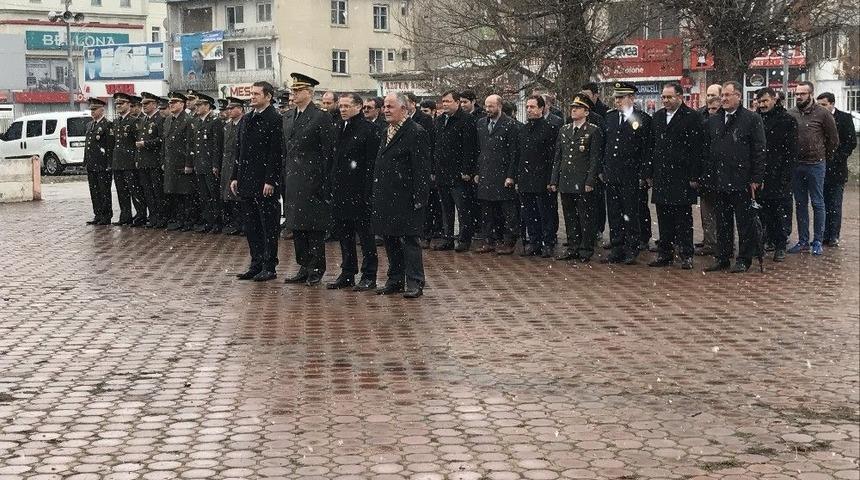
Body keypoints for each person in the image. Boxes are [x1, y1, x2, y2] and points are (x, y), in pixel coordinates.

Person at [701, 81, 766, 273]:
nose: (724, 99)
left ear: (738, 96)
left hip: (742, 179)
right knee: (722, 221)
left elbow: (759, 150)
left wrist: (756, 177)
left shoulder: (751, 119)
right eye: (722, 96)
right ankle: (723, 256)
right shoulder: (714, 119)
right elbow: (708, 149)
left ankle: (744, 258)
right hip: (719, 179)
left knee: (744, 222)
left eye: (728, 95)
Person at [372, 92, 431, 298]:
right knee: (390, 238)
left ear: (404, 109)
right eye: (385, 106)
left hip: (406, 197)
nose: (386, 110)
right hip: (386, 195)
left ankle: (415, 281)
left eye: (390, 106)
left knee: (409, 240)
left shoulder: (415, 132)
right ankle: (395, 279)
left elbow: (421, 168)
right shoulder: (385, 130)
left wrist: (420, 197)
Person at [281, 73, 336, 286]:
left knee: (313, 227)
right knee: (297, 226)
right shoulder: (288, 116)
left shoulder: (320, 117)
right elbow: (285, 150)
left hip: (313, 179)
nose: (293, 94)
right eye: (293, 90)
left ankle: (316, 267)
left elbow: (327, 152)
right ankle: (303, 265)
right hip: (293, 178)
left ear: (309, 93)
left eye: (298, 91)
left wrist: (323, 181)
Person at [645, 83, 703, 270]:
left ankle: (686, 254)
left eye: (669, 97)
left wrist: (695, 175)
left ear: (680, 96)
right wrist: (649, 172)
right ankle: (665, 253)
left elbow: (697, 149)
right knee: (663, 217)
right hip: (662, 174)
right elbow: (651, 146)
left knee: (683, 217)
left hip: (682, 175)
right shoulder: (658, 117)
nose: (666, 100)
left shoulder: (692, 117)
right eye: (663, 97)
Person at [229, 81, 283, 281]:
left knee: (268, 225)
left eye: (257, 94)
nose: (252, 97)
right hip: (246, 180)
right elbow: (239, 150)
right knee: (251, 225)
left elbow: (275, 153)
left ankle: (269, 265)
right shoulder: (247, 119)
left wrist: (270, 179)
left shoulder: (274, 119)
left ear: (268, 96)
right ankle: (256, 262)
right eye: (251, 94)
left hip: (264, 182)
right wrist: (235, 176)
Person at [327, 93, 381, 291]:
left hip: (360, 191)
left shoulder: (370, 130)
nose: (342, 109)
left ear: (359, 107)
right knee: (344, 235)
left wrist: (368, 193)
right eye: (340, 106)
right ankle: (348, 272)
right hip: (341, 190)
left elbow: (370, 164)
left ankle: (369, 275)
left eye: (347, 106)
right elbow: (335, 159)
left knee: (365, 236)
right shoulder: (339, 127)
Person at [601, 82, 653, 264]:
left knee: (631, 212)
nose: (618, 101)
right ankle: (617, 247)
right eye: (616, 98)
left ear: (632, 98)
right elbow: (604, 145)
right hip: (613, 173)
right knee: (614, 212)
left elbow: (647, 149)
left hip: (632, 174)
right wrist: (603, 168)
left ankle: (632, 247)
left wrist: (644, 174)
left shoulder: (643, 119)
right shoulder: (610, 118)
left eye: (621, 97)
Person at [787, 81, 838, 256]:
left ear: (810, 94)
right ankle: (803, 241)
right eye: (797, 93)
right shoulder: (791, 113)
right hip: (797, 165)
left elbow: (833, 140)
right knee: (800, 204)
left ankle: (817, 240)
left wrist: (824, 156)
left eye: (802, 93)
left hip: (816, 164)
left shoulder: (823, 114)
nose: (799, 96)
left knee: (817, 202)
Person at [549, 94, 602, 262]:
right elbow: (558, 157)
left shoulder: (593, 130)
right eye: (572, 108)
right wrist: (553, 180)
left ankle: (585, 249)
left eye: (577, 108)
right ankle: (572, 247)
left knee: (585, 216)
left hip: (582, 180)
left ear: (586, 112)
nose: (573, 110)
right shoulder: (564, 130)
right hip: (566, 179)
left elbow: (595, 158)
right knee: (570, 216)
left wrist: (590, 181)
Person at [432, 89, 479, 253]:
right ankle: (448, 237)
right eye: (443, 102)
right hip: (442, 172)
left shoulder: (466, 120)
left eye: (448, 101)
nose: (445, 104)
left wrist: (467, 169)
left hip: (459, 174)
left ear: (457, 103)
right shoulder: (438, 121)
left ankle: (465, 238)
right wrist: (433, 169)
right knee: (446, 209)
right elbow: (434, 146)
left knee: (463, 208)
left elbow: (470, 147)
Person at [474, 94, 520, 255]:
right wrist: (477, 171)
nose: (487, 109)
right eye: (486, 106)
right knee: (487, 210)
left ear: (499, 106)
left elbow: (514, 153)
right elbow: (479, 149)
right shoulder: (480, 124)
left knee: (507, 211)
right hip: (486, 172)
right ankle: (489, 240)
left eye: (491, 106)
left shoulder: (510, 125)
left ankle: (508, 241)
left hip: (503, 173)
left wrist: (511, 175)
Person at [756, 87, 798, 262]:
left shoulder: (787, 120)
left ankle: (780, 244)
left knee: (779, 211)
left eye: (766, 101)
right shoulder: (755, 119)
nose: (763, 105)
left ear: (774, 99)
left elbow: (791, 150)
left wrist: (786, 174)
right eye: (760, 101)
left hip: (779, 172)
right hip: (760, 173)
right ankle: (764, 241)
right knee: (761, 211)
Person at [518, 94, 559, 258]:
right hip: (526, 179)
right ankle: (534, 241)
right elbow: (519, 155)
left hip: (543, 178)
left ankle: (547, 243)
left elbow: (553, 157)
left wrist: (551, 179)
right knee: (529, 213)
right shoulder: (523, 129)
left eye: (532, 107)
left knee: (546, 213)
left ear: (541, 109)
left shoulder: (550, 129)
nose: (529, 110)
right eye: (527, 107)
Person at [817, 92, 857, 247]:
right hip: (820, 166)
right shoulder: (817, 118)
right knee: (821, 202)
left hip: (837, 168)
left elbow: (851, 141)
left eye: (824, 104)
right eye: (819, 104)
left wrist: (839, 157)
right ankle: (823, 233)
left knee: (834, 203)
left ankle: (833, 234)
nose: (821, 107)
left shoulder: (844, 118)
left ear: (832, 104)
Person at [189, 93, 224, 233]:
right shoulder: (197, 121)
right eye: (196, 105)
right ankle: (208, 221)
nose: (196, 107)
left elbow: (217, 145)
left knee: (213, 195)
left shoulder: (214, 121)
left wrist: (215, 164)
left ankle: (217, 223)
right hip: (200, 163)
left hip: (210, 164)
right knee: (203, 196)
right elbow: (195, 145)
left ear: (207, 106)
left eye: (199, 105)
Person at [162, 92, 196, 231]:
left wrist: (188, 163)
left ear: (182, 104)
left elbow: (190, 143)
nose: (171, 105)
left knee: (185, 194)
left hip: (181, 162)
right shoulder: (169, 120)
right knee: (173, 193)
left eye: (174, 102)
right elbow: (166, 142)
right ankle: (178, 219)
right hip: (170, 161)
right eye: (170, 103)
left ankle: (187, 221)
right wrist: (163, 160)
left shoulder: (187, 120)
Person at [111, 92, 145, 226]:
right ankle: (125, 216)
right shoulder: (116, 121)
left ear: (129, 105)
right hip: (118, 162)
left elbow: (137, 143)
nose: (119, 106)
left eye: (122, 103)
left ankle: (140, 215)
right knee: (121, 191)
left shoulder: (134, 121)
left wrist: (136, 160)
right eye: (117, 104)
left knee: (135, 190)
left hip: (130, 162)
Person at [135, 92, 166, 228]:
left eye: (147, 104)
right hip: (144, 161)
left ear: (154, 104)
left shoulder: (160, 119)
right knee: (147, 191)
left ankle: (161, 218)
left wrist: (146, 144)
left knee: (157, 191)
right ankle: (152, 217)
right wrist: (137, 158)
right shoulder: (143, 120)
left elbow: (161, 140)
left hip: (155, 161)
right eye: (143, 104)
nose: (144, 106)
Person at [83, 97, 114, 226]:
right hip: (92, 164)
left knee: (104, 191)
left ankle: (106, 216)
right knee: (94, 191)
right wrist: (85, 161)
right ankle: (98, 214)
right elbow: (88, 145)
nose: (92, 112)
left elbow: (109, 146)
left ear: (102, 110)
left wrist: (109, 164)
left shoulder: (107, 125)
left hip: (102, 164)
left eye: (95, 109)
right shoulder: (90, 125)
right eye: (91, 109)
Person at [220, 96, 245, 236]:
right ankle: (234, 223)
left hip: (238, 163)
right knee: (229, 196)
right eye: (228, 108)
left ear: (240, 109)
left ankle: (242, 224)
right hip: (227, 163)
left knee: (238, 195)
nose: (229, 111)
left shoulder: (244, 124)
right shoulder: (228, 125)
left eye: (232, 108)